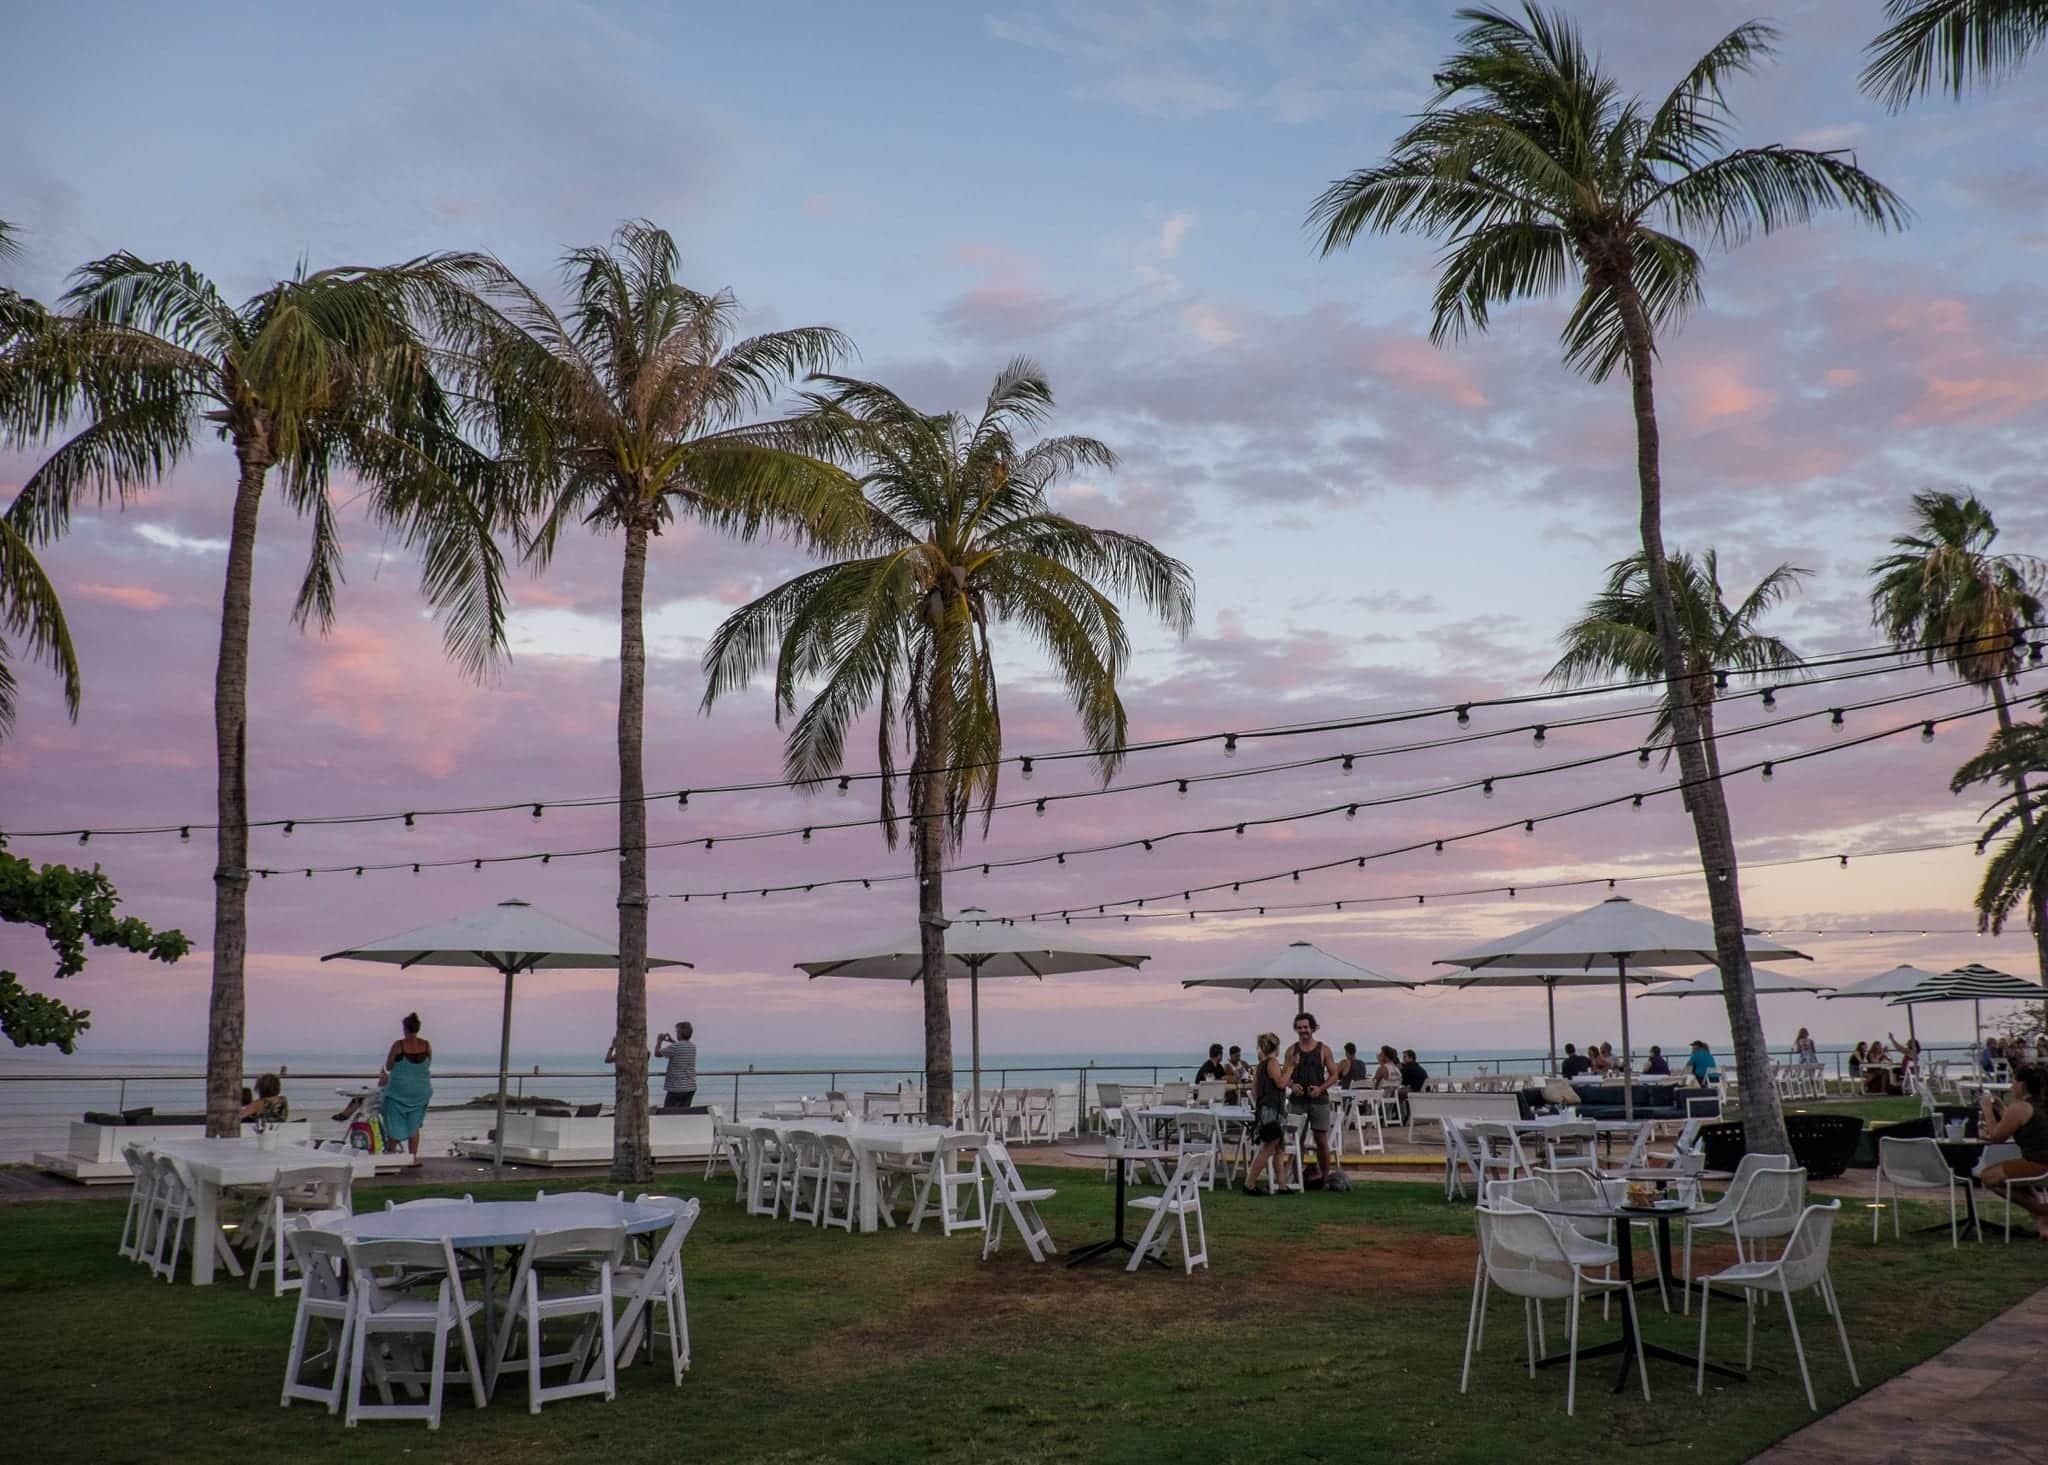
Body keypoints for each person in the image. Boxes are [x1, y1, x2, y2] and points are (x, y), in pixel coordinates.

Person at [1978, 1066, 2048, 1241]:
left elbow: (1996, 1137)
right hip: (2039, 1163)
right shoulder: (2040, 1104)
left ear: (2022, 1085)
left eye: (2014, 1082)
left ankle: (2042, 1210)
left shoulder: (2020, 1107)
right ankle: (2044, 1227)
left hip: (2040, 1164)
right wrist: (2003, 1111)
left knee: (1989, 1177)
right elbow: (2026, 1124)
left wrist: (1986, 1108)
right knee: (2015, 1179)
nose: (2011, 1087)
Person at [1286, 1012, 1340, 1187]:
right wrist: (1292, 1085)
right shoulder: (1291, 1051)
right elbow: (1283, 1076)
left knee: (1322, 1141)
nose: (1303, 1030)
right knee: (1297, 1140)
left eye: (1306, 1027)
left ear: (1312, 1028)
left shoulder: (1324, 1050)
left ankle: (1324, 1178)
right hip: (1297, 1102)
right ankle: (1296, 1178)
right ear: (1296, 1029)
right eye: (1300, 1027)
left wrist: (1321, 1088)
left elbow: (1334, 1075)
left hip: (1319, 1101)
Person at [1243, 1032, 1295, 1196]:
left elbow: (1254, 1090)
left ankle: (1282, 1185)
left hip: (1265, 1109)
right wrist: (1291, 1067)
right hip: (1273, 1110)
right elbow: (1280, 1083)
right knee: (1268, 1148)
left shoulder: (1260, 1066)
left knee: (1279, 1148)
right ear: (1277, 1047)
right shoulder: (1272, 1062)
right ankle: (1249, 1183)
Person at [380, 1011, 433, 1157]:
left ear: (405, 1028)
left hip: (399, 1091)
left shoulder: (399, 1045)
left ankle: (391, 1155)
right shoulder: (426, 1045)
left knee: (393, 1123)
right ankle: (413, 1158)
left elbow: (389, 1066)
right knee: (414, 1126)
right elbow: (427, 1065)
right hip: (421, 1091)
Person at [657, 1021, 697, 1111]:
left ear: (680, 1033)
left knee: (668, 1114)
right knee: (683, 1115)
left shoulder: (675, 1047)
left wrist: (659, 1041)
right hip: (690, 1087)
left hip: (676, 1088)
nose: (676, 1033)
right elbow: (680, 1048)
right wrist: (672, 1041)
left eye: (677, 1031)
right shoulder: (692, 1046)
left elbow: (657, 1054)